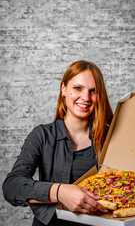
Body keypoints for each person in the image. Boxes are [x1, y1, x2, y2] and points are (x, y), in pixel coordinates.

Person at [2, 60, 113, 226]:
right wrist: (59, 191)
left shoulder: (111, 137)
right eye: (78, 88)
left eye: (93, 91)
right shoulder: (42, 135)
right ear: (63, 89)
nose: (85, 97)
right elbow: (12, 186)